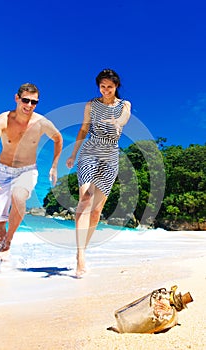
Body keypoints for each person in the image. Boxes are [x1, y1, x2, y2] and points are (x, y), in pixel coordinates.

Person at [0, 83, 63, 270]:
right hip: (2, 172)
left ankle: (9, 240)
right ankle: (2, 260)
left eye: (34, 102)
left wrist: (55, 165)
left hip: (27, 170)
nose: (29, 105)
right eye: (25, 100)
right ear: (17, 98)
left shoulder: (41, 122)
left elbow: (58, 138)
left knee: (19, 195)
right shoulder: (3, 120)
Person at [66, 69, 131, 277]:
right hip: (90, 151)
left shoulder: (124, 105)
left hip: (110, 156)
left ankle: (84, 248)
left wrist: (117, 123)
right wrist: (73, 154)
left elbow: (124, 119)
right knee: (85, 199)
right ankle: (80, 256)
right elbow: (84, 129)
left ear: (116, 86)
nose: (106, 90)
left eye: (109, 87)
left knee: (96, 212)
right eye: (102, 86)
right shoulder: (91, 105)